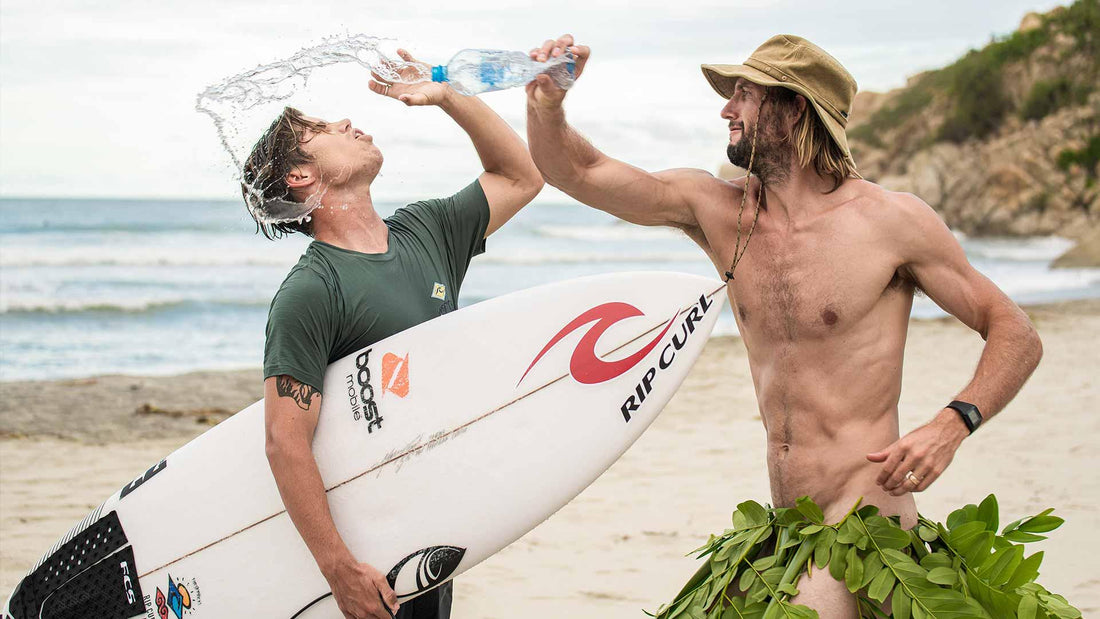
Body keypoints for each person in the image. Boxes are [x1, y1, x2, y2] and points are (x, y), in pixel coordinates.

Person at [525, 34, 1042, 616]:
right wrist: (548, 105)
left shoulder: (890, 222)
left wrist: (953, 423)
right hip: (781, 534)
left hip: (866, 528)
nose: (726, 109)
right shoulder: (717, 210)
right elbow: (578, 171)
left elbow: (1014, 330)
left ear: (795, 107)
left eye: (744, 95)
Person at [244, 49, 543, 619]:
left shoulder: (426, 231)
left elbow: (521, 176)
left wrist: (449, 95)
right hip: (365, 551)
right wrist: (338, 568)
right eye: (319, 129)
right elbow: (285, 441)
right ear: (300, 176)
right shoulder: (311, 290)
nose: (345, 123)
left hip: (430, 521)